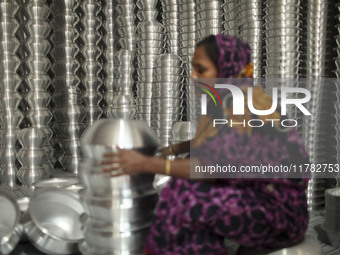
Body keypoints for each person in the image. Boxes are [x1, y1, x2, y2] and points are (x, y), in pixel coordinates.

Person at [100, 34, 309, 255]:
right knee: (182, 185)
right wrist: (172, 150)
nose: (193, 76)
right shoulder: (229, 99)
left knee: (188, 195)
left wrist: (147, 164)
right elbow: (221, 145)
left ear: (227, 69)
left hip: (280, 215)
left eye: (201, 70)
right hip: (259, 197)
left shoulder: (246, 106)